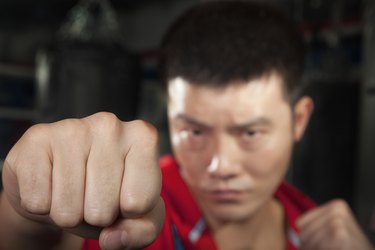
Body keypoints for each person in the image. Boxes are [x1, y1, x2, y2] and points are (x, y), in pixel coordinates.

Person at [0, 1, 373, 250]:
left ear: (299, 120)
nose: (220, 166)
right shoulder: (139, 206)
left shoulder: (316, 227)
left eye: (250, 133)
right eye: (194, 131)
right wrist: (25, 210)